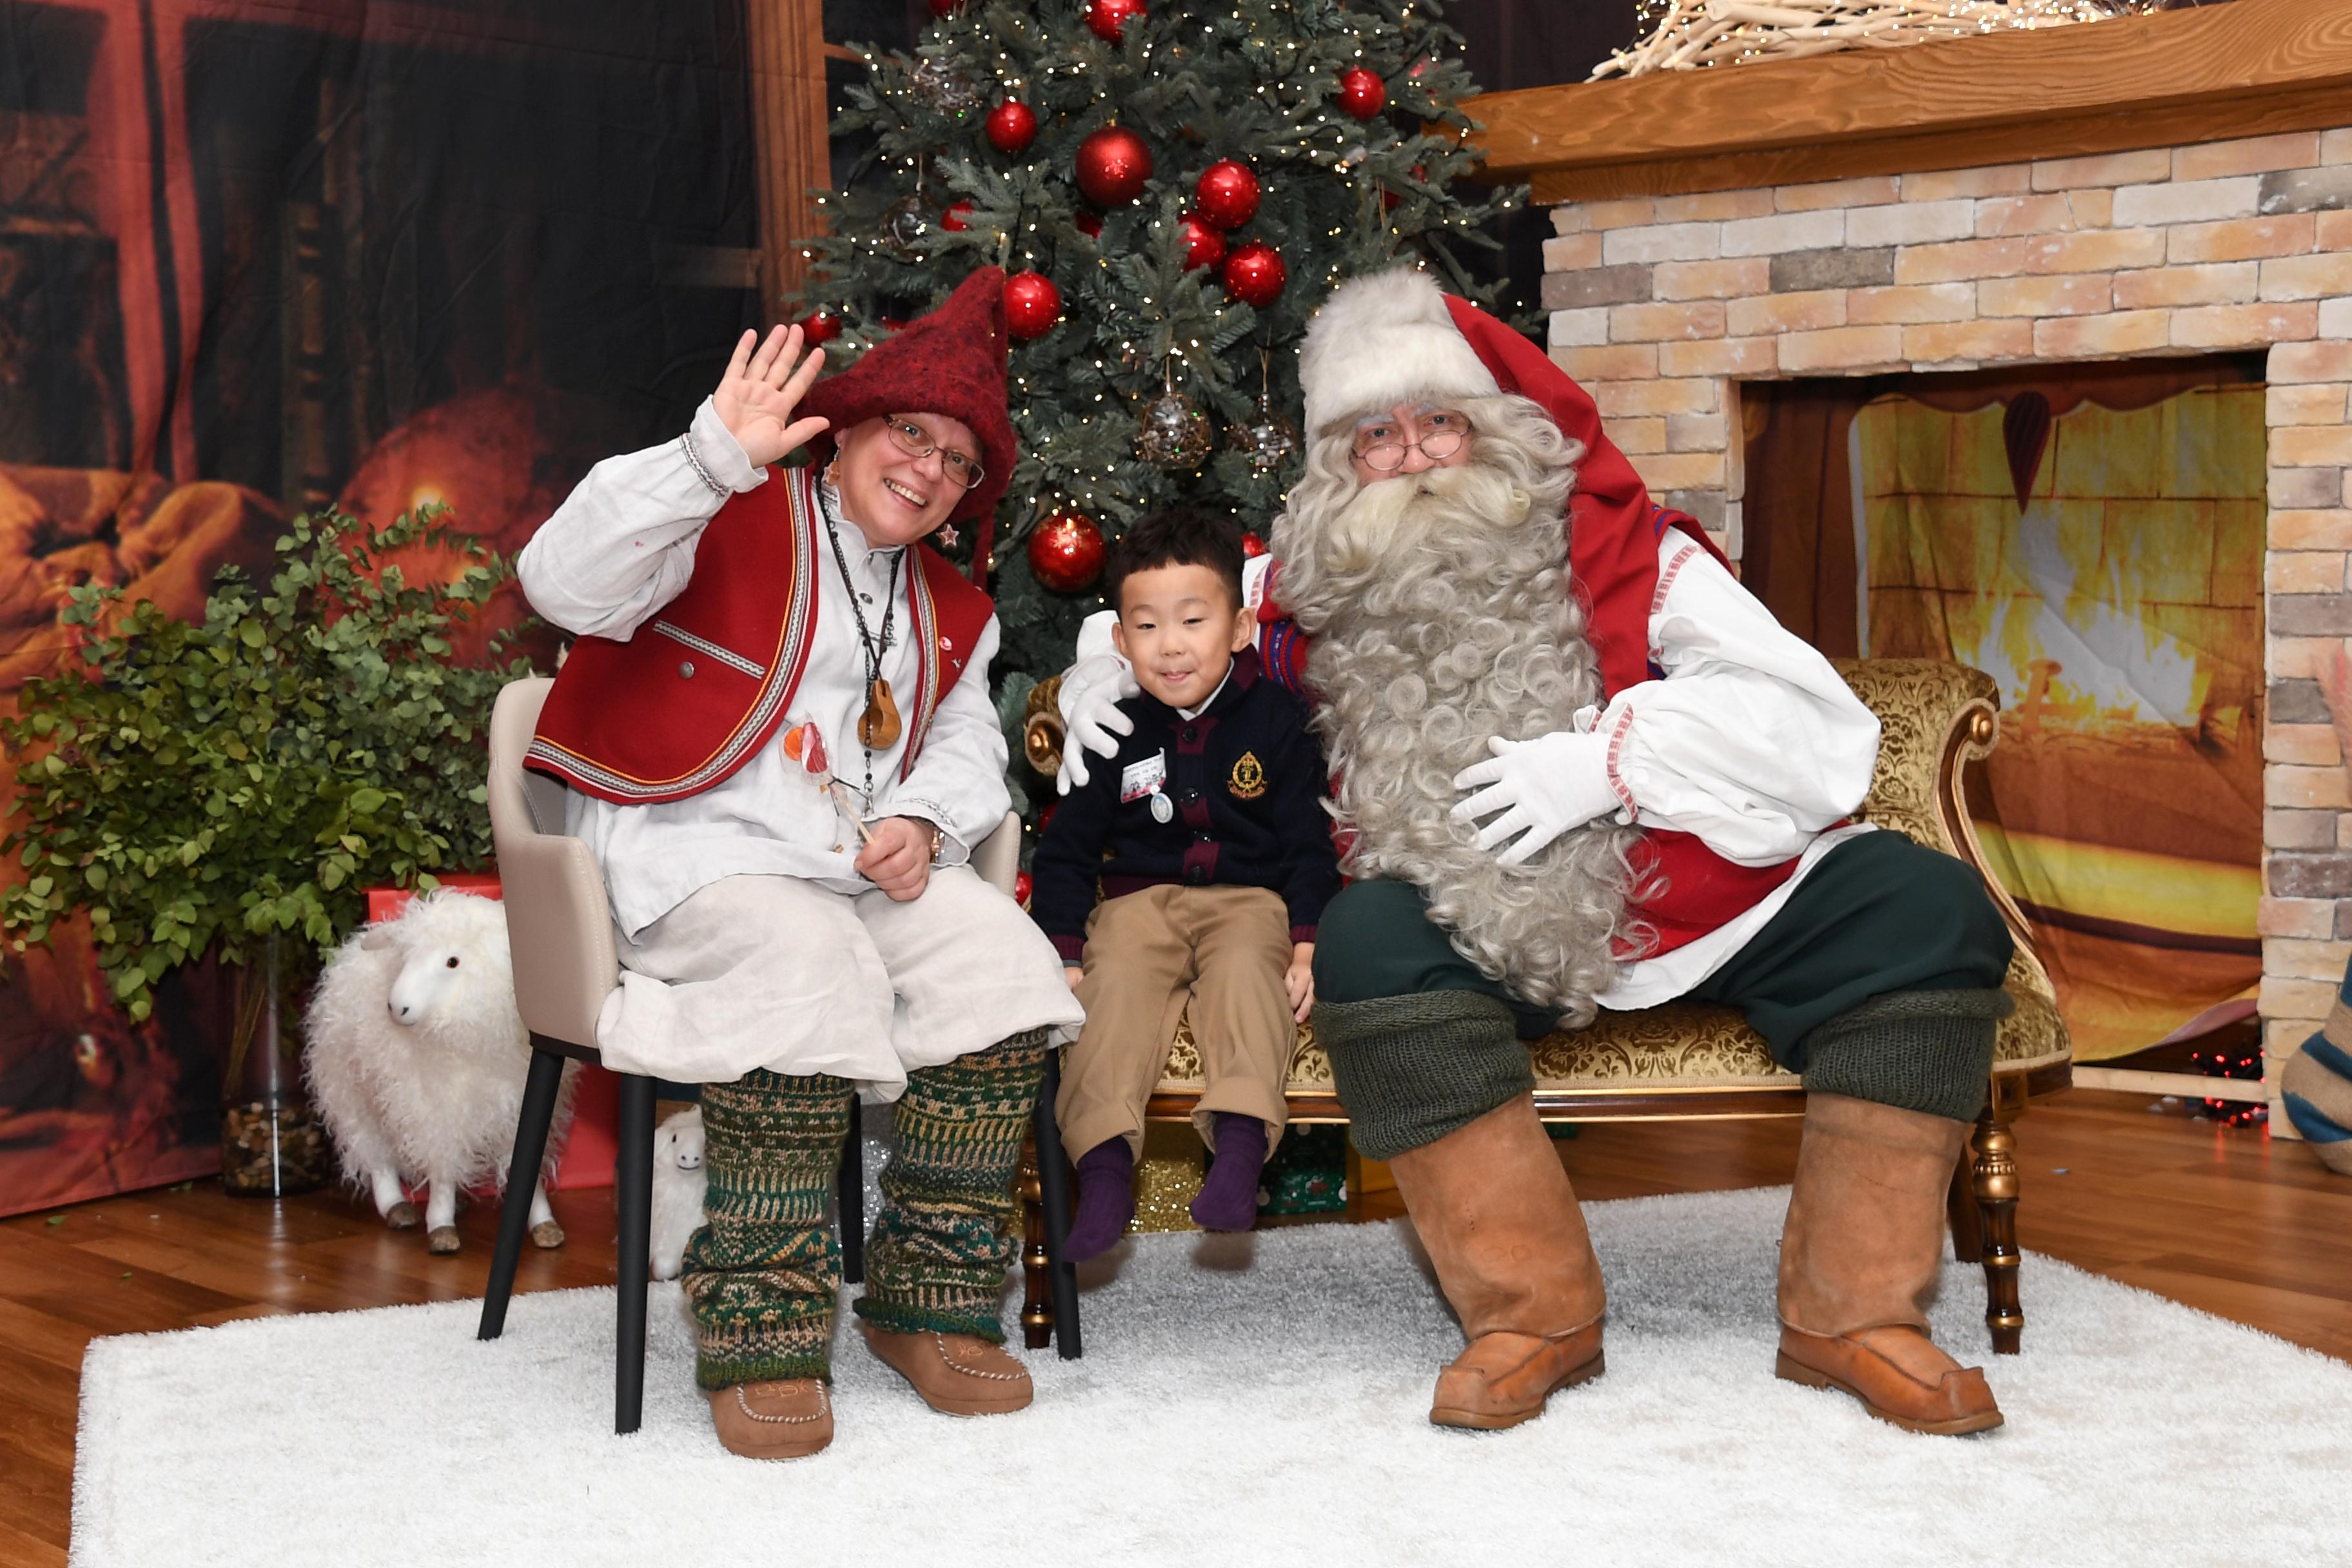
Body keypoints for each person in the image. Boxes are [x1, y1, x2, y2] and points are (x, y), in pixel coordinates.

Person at [1057, 265, 2016, 1437]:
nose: (1411, 456)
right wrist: (1096, 669)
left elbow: (1820, 732)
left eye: (1439, 421)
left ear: (1496, 433)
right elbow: (1155, 616)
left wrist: (1609, 760)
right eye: (1375, 435)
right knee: (1367, 938)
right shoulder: (1306, 578)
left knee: (1924, 908)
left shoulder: (1635, 555)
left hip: (1686, 903)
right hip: (1470, 931)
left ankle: (1852, 1314)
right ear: (1335, 465)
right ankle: (1531, 1313)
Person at [517, 267, 1084, 1461]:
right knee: (804, 957)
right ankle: (763, 1327)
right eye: (909, 435)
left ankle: (923, 1305)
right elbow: (556, 582)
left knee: (1001, 962)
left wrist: (926, 821)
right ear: (849, 428)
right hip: (690, 853)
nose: (927, 471)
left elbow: (968, 736)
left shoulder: (950, 602)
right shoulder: (721, 506)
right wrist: (708, 454)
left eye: (957, 465)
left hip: (850, 872)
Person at [1030, 509, 1342, 1257]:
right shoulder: (1114, 725)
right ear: (1119, 641)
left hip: (1249, 900)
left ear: (1237, 628)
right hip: (1140, 901)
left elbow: (1308, 840)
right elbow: (1067, 851)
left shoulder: (1276, 717)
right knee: (1113, 991)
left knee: (1247, 978)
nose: (1170, 646)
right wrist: (1065, 950)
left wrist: (1306, 943)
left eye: (1193, 620)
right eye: (1146, 626)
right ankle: (1103, 1169)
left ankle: (1237, 1152)